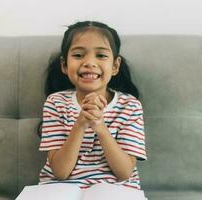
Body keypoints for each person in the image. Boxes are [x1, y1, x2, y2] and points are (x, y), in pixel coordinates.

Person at [38, 21, 147, 200]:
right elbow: (60, 172)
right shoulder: (55, 103)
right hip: (60, 190)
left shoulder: (130, 106)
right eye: (79, 55)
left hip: (115, 191)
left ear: (115, 66)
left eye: (101, 55)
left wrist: (100, 126)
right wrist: (80, 123)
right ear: (65, 65)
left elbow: (124, 172)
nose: (89, 63)